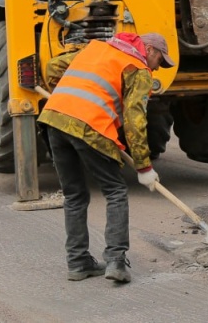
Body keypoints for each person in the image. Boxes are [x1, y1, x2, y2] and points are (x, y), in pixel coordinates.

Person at [37, 31, 175, 284]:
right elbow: (135, 121)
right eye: (159, 61)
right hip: (90, 126)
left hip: (54, 119)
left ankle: (77, 263)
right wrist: (144, 167)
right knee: (115, 191)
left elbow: (52, 66)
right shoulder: (138, 69)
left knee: (74, 195)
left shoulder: (96, 49)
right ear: (150, 50)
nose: (157, 68)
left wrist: (74, 94)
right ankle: (116, 261)